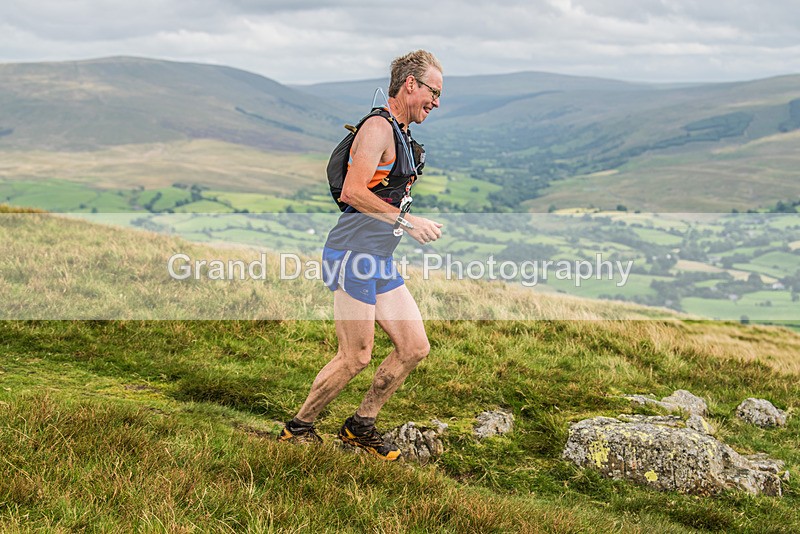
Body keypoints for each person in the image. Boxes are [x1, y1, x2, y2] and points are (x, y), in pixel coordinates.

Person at [278, 50, 444, 460]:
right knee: (356, 355)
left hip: (377, 256)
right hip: (353, 252)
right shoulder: (377, 128)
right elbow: (353, 191)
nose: (436, 102)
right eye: (433, 92)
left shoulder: (401, 133)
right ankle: (298, 428)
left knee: (414, 347)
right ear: (410, 84)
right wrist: (408, 222)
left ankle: (359, 426)